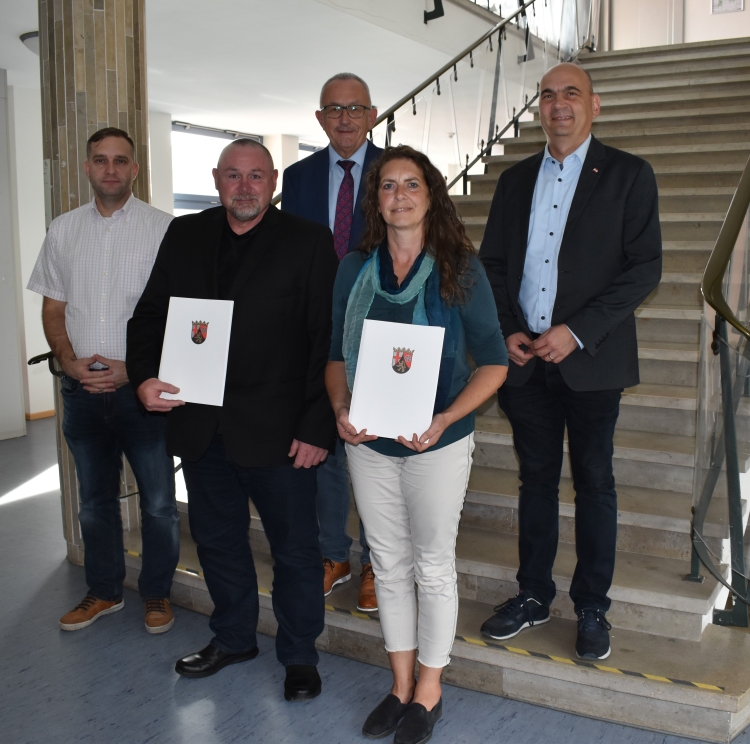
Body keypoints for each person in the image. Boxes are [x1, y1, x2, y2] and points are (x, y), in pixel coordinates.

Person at [126, 138, 338, 702]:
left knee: (294, 551)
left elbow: (328, 341)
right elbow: (150, 314)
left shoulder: (309, 241)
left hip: (284, 433)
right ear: (217, 180)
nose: (244, 187)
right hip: (201, 427)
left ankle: (299, 655)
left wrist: (318, 427)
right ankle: (234, 637)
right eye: (233, 176)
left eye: (256, 177)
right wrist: (144, 375)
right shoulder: (185, 234)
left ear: (272, 182)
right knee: (218, 542)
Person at [478, 63, 662, 660]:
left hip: (592, 361)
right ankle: (533, 595)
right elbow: (494, 266)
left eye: (572, 95)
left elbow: (644, 267)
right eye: (549, 95)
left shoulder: (630, 176)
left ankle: (591, 608)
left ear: (594, 106)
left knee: (594, 483)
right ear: (540, 108)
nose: (559, 105)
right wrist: (507, 329)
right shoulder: (514, 181)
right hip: (527, 361)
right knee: (535, 481)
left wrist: (576, 332)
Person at [326, 145, 508, 744]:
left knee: (431, 565)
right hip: (370, 443)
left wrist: (445, 417)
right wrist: (340, 407)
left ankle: (428, 693)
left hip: (439, 442)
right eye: (387, 186)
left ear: (431, 195)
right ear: (375, 201)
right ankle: (399, 684)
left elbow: (495, 363)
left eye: (411, 185)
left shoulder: (462, 267)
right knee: (389, 562)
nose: (399, 195)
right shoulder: (355, 270)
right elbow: (334, 355)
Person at [27, 127, 179, 635]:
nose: (110, 169)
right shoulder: (63, 230)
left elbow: (178, 314)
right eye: (100, 160)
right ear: (87, 168)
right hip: (82, 393)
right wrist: (67, 361)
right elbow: (54, 306)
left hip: (143, 394)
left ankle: (156, 593)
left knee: (159, 504)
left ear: (136, 169)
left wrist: (135, 369)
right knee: (93, 503)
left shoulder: (164, 229)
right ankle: (104, 592)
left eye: (120, 161)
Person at [283, 72, 383, 611]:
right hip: (316, 334)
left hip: (379, 330)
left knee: (370, 451)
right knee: (322, 448)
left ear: (372, 115)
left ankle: (374, 561)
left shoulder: (397, 173)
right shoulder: (296, 179)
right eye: (334, 109)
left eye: (355, 108)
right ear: (320, 119)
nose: (344, 118)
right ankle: (333, 554)